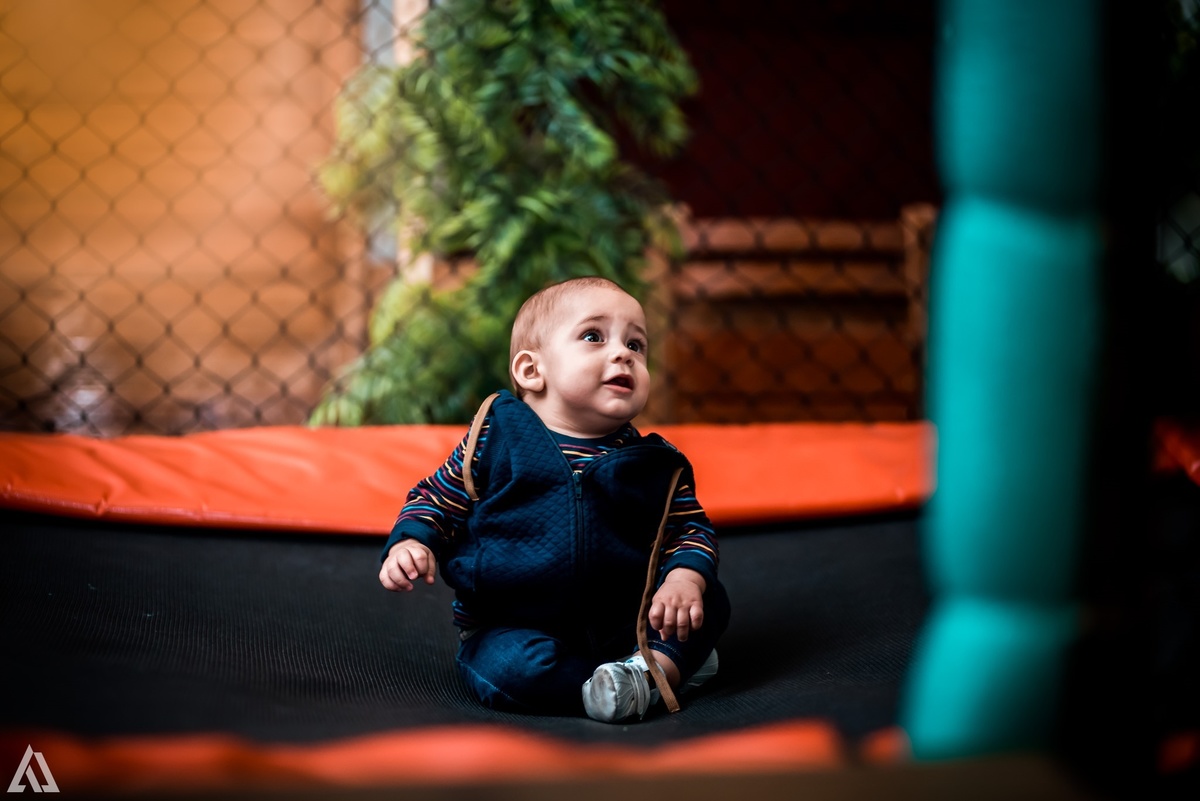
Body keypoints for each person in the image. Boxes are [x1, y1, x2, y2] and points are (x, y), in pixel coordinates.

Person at [378, 276, 730, 722]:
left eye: (637, 345)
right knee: (508, 668)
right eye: (593, 336)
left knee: (708, 600)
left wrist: (684, 580)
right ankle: (643, 679)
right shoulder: (497, 437)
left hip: (627, 624)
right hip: (514, 624)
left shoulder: (654, 466)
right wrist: (413, 540)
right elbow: (438, 497)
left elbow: (690, 532)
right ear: (532, 370)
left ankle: (649, 669)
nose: (622, 353)